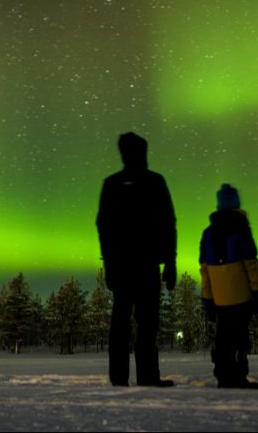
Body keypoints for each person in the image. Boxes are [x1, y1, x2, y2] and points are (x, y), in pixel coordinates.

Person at [96, 132, 177, 387]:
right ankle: (146, 377)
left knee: (127, 322)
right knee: (144, 323)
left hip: (127, 265)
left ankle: (122, 378)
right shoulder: (153, 181)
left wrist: (109, 264)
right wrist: (170, 261)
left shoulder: (114, 184)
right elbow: (168, 222)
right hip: (143, 264)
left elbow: (104, 227)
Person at [200, 184, 258, 389]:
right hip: (241, 295)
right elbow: (251, 264)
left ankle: (222, 374)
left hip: (219, 297)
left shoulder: (208, 233)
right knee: (239, 337)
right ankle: (238, 376)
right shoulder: (241, 229)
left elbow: (205, 270)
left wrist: (207, 298)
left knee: (223, 336)